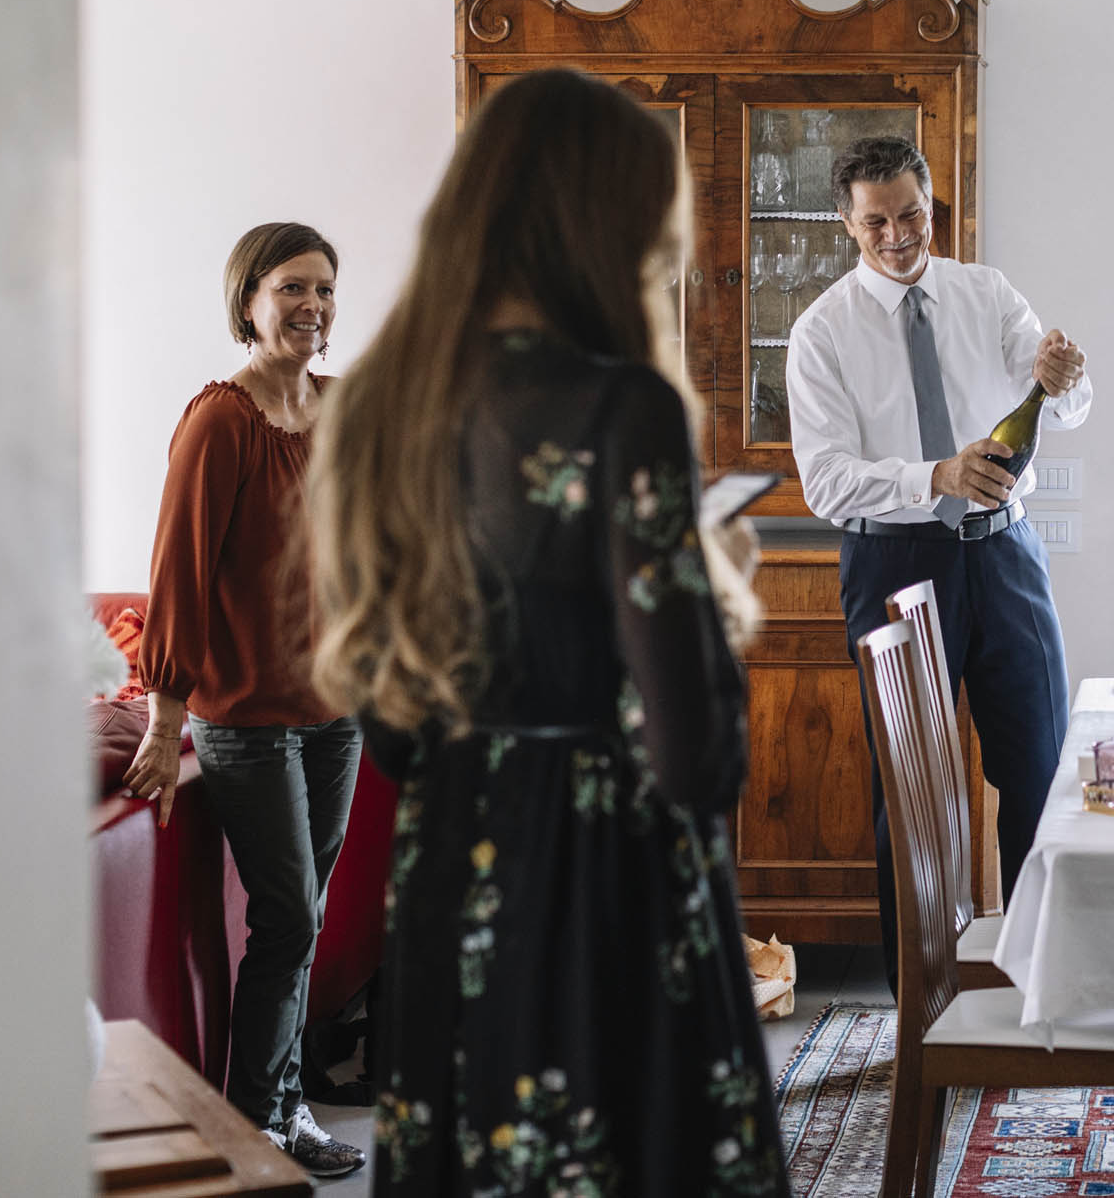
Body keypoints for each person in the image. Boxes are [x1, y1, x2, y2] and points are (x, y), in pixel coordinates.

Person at [305, 69, 786, 1196]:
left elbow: (391, 733)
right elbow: (695, 754)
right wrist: (715, 590)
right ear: (606, 226)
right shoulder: (624, 407)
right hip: (609, 886)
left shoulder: (375, 404)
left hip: (450, 881)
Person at [785, 136, 1090, 981]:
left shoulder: (985, 293)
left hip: (1006, 556)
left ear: (932, 206)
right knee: (910, 797)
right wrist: (937, 475)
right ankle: (918, 1003)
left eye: (912, 214)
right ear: (847, 222)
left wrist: (1062, 377)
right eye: (876, 221)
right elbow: (825, 480)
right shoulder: (821, 333)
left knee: (1037, 767)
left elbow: (1061, 404)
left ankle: (1040, 977)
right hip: (892, 567)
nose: (897, 235)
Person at [125, 222, 365, 1177]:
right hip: (248, 723)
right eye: (293, 288)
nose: (312, 306)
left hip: (337, 711)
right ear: (250, 299)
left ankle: (283, 1106)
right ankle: (253, 1126)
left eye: (326, 290)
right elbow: (178, 574)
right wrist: (163, 714)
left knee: (301, 916)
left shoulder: (343, 409)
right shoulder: (220, 420)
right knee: (290, 920)